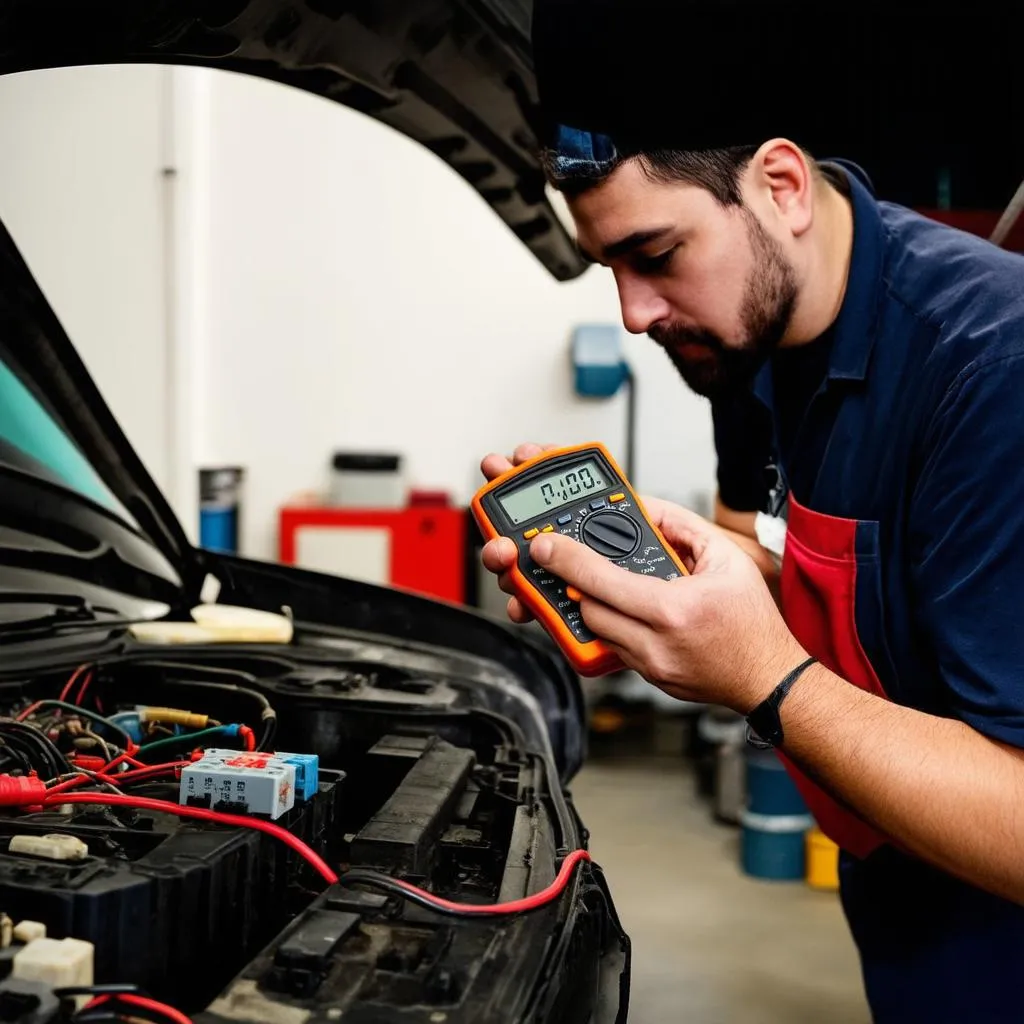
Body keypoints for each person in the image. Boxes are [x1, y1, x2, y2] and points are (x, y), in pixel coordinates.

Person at [478, 2, 1024, 1020]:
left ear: (779, 187)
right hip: (903, 895)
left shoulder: (992, 369)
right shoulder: (740, 345)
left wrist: (762, 678)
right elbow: (807, 578)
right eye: (610, 270)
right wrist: (666, 596)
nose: (634, 314)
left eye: (655, 253)